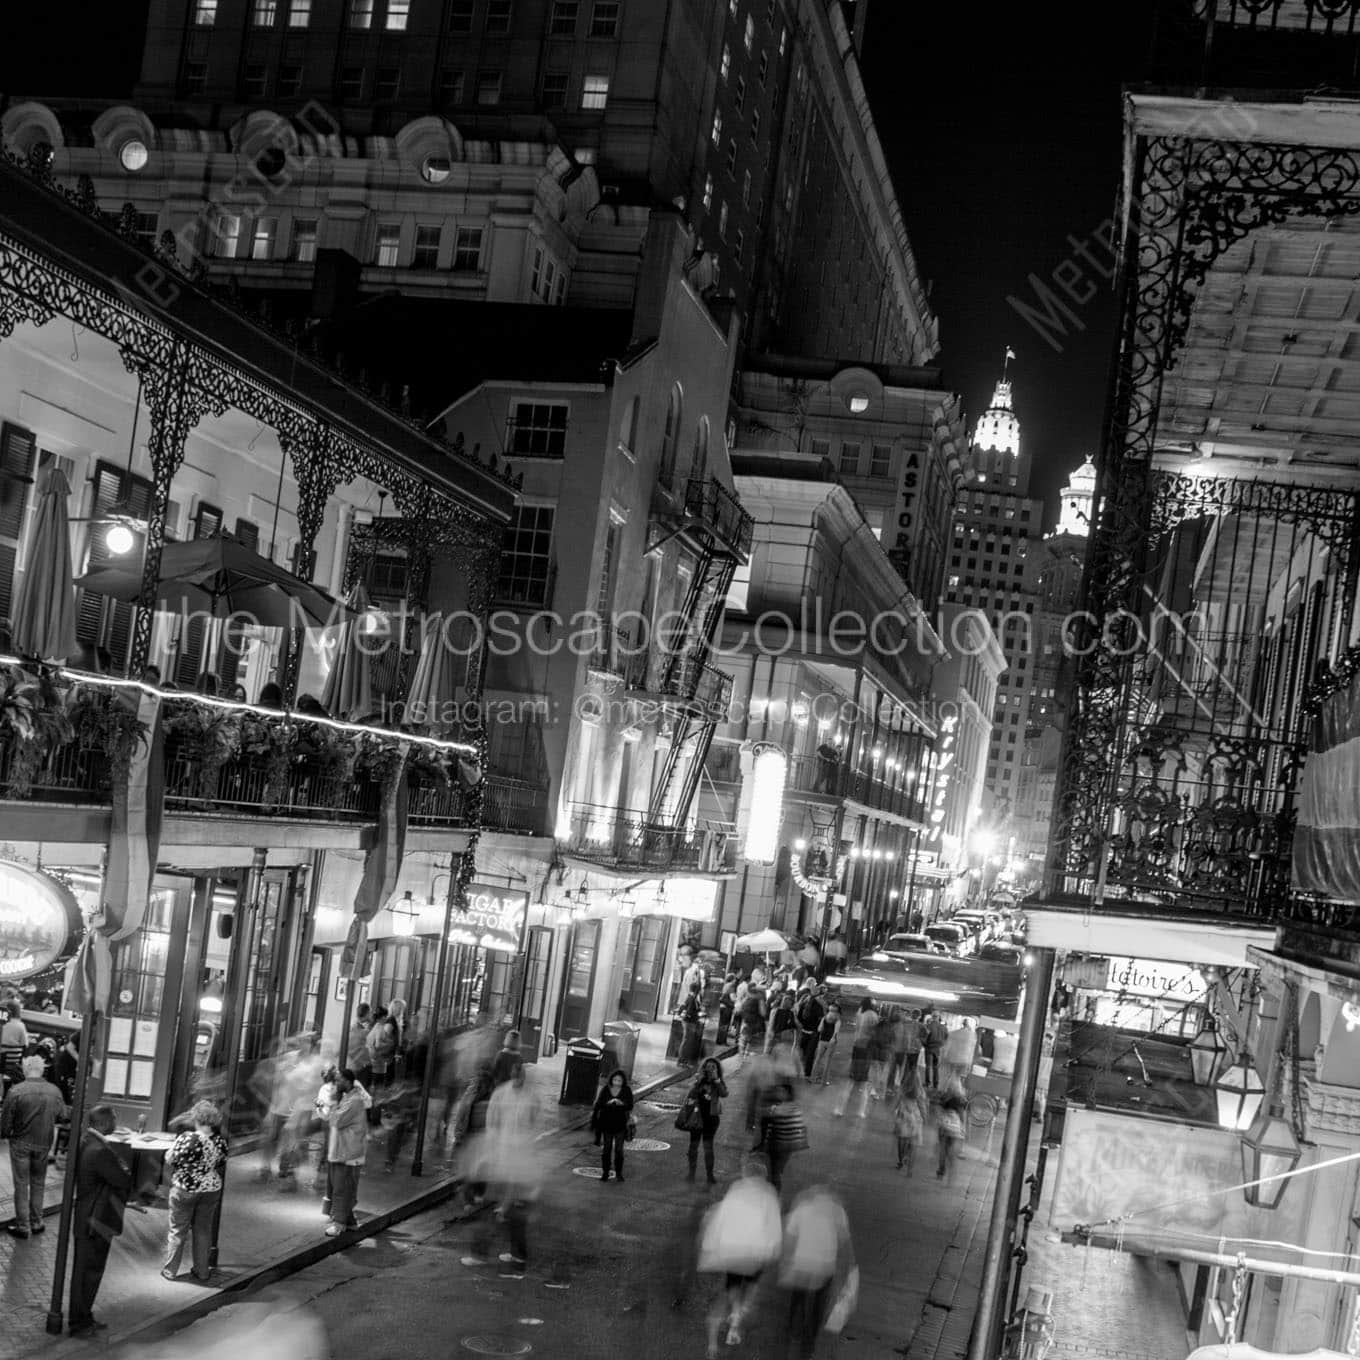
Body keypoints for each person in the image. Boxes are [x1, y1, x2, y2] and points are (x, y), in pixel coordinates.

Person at [697, 1155, 783, 1358]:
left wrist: (709, 1246)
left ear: (746, 1174)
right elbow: (773, 1225)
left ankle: (734, 1310)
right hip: (755, 1252)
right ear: (763, 1176)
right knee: (751, 1283)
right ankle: (739, 1315)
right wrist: (774, 1249)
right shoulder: (769, 1194)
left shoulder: (736, 1189)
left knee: (733, 1285)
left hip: (732, 1249)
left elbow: (721, 1217)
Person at [69, 1105, 132, 1337]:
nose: (116, 1123)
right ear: (104, 1123)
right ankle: (80, 1322)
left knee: (86, 1272)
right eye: (114, 1119)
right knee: (89, 1273)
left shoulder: (88, 1142)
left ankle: (83, 1318)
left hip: (88, 1218)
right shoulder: (100, 1151)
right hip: (96, 1222)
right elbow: (123, 1178)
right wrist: (124, 1168)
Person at [778, 1185, 855, 1359]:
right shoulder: (838, 1211)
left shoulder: (802, 1208)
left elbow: (790, 1238)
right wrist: (850, 1262)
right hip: (824, 1266)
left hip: (801, 1263)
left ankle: (793, 1328)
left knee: (798, 1296)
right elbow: (845, 1241)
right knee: (819, 1303)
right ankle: (810, 1340)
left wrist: (786, 1260)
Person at [482, 1065, 541, 1276]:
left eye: (521, 1079)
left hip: (520, 1156)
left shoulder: (531, 1096)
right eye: (516, 1079)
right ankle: (514, 1251)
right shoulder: (500, 1094)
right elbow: (491, 1121)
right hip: (504, 1153)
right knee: (508, 1205)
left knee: (512, 1206)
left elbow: (536, 1122)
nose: (519, 1082)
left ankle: (517, 1257)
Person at [161, 1099, 228, 1282]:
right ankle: (202, 1271)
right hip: (211, 1189)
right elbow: (221, 1162)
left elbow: (170, 1159)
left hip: (185, 1188)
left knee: (178, 1230)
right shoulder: (220, 1141)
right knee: (203, 1230)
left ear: (196, 1118)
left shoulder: (186, 1138)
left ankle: (170, 1270)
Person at [2, 1054, 67, 1237]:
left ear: (26, 1069)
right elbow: (63, 1116)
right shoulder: (55, 1091)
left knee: (21, 1184)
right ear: (42, 1069)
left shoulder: (16, 1091)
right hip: (44, 1143)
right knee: (38, 1183)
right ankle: (37, 1222)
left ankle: (23, 1226)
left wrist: (6, 1134)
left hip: (21, 1143)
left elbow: (5, 1123)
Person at [321, 1068, 366, 1236]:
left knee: (341, 1188)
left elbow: (336, 1120)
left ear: (347, 1082)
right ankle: (350, 1221)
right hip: (341, 1151)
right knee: (340, 1186)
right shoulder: (348, 1098)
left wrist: (333, 1101)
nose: (336, 1083)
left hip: (347, 1153)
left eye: (339, 1080)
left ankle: (339, 1224)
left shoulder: (354, 1101)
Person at [684, 1057, 728, 1184]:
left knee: (708, 1147)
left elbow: (724, 1093)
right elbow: (691, 1095)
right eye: (708, 1066)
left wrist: (717, 1080)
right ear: (704, 1068)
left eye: (713, 1067)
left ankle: (710, 1176)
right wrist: (697, 1082)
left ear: (717, 1069)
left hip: (711, 1119)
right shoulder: (699, 1080)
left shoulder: (718, 1081)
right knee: (693, 1146)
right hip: (697, 1117)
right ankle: (691, 1174)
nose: (710, 1069)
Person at [834, 999, 878, 1119]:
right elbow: (874, 1033)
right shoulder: (873, 1015)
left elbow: (857, 1028)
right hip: (866, 1049)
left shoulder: (860, 1013)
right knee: (864, 1082)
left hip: (857, 1046)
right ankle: (861, 1111)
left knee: (850, 1080)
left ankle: (840, 1109)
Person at [591, 1068, 634, 1184]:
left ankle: (619, 1173)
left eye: (619, 1080)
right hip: (606, 1124)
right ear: (611, 1080)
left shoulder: (626, 1090)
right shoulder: (606, 1089)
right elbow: (599, 1104)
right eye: (615, 1080)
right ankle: (605, 1172)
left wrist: (622, 1103)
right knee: (607, 1149)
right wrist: (608, 1103)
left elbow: (630, 1105)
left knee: (619, 1150)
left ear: (623, 1081)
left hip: (620, 1124)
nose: (617, 1082)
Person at [892, 1066, 929, 1175]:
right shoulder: (920, 1091)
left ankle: (901, 1160)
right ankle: (910, 1169)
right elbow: (922, 1106)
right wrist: (925, 1117)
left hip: (903, 1117)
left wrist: (893, 1110)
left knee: (901, 1140)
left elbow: (896, 1102)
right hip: (915, 1119)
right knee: (913, 1143)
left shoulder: (902, 1089)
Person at [936, 1076, 968, 1182]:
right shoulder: (960, 1101)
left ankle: (941, 1171)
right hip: (954, 1129)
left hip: (944, 1127)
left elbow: (939, 1111)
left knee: (942, 1150)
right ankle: (951, 1172)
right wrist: (963, 1128)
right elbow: (962, 1116)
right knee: (951, 1151)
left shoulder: (944, 1098)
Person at [794, 986, 826, 1080]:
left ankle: (799, 1071)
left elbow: (799, 1017)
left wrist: (802, 1026)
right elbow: (822, 1019)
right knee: (810, 1054)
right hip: (814, 1032)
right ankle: (807, 1073)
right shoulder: (819, 1005)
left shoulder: (804, 1002)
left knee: (803, 1052)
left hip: (804, 1031)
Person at [810, 1000, 841, 1085]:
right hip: (831, 1042)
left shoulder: (824, 1018)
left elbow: (819, 1029)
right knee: (827, 1061)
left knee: (817, 1059)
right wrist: (833, 1038)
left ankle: (813, 1078)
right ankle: (824, 1081)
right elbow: (836, 1031)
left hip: (822, 1040)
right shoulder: (837, 1020)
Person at [942, 1018, 977, 1089]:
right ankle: (956, 1091)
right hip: (964, 1060)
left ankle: (946, 1089)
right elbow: (972, 1050)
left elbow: (947, 1046)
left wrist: (944, 1057)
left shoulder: (953, 1033)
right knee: (959, 1077)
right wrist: (970, 1062)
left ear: (962, 1024)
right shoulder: (972, 1036)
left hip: (952, 1059)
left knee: (950, 1076)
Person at [737, 984, 766, 1068]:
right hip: (755, 1027)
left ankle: (741, 1064)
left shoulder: (746, 999)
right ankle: (746, 1065)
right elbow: (763, 1013)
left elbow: (739, 1010)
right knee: (751, 1047)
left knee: (742, 1044)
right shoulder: (759, 1000)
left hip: (745, 1025)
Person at [679, 982, 704, 1068]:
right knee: (687, 1042)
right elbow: (690, 1012)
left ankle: (683, 1061)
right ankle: (682, 1061)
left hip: (688, 1022)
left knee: (686, 1041)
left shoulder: (690, 998)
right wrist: (698, 1014)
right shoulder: (692, 999)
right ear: (696, 990)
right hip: (689, 1023)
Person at [765, 991, 797, 1057]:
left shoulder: (789, 1013)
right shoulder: (787, 1012)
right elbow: (792, 1026)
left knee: (771, 1053)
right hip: (778, 1036)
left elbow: (771, 1024)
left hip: (778, 1035)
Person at [922, 1007, 947, 1089]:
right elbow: (946, 1038)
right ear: (939, 1017)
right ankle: (935, 1084)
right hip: (938, 1049)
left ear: (932, 1017)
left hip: (929, 1048)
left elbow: (924, 1038)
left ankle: (927, 1083)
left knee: (928, 1066)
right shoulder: (944, 1028)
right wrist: (941, 1045)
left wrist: (925, 1045)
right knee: (935, 1067)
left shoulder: (928, 1026)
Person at [715, 974, 738, 1047]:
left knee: (721, 1024)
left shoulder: (725, 985)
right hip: (727, 1007)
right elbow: (732, 998)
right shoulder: (731, 985)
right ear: (732, 979)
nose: (735, 980)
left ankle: (719, 1040)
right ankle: (723, 1041)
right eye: (734, 979)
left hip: (722, 1006)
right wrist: (738, 999)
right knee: (725, 1025)